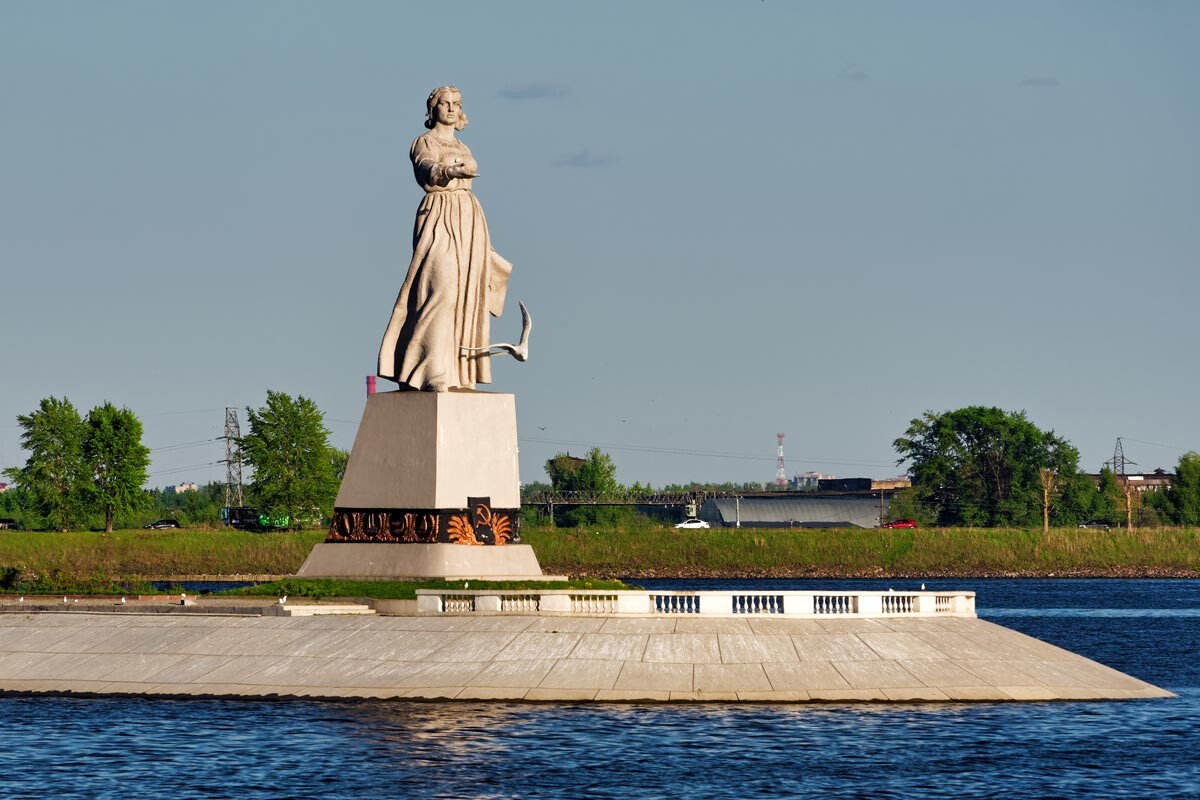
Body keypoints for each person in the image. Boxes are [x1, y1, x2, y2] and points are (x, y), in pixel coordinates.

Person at [378, 86, 512, 391]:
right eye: (444, 103)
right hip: (439, 214)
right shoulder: (424, 141)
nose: (451, 108)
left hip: (468, 218)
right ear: (432, 109)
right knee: (441, 289)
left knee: (465, 295)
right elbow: (425, 167)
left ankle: (457, 373)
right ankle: (429, 370)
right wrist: (446, 170)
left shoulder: (464, 146)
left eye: (456, 104)